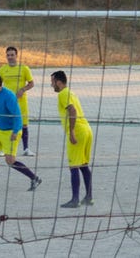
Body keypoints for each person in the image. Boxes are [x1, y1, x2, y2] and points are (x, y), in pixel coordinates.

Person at [50, 70, 94, 208]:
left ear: (58, 82)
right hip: (87, 129)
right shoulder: (71, 93)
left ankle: (75, 200)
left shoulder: (63, 94)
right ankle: (89, 197)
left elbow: (72, 110)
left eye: (52, 82)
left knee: (74, 166)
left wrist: (72, 131)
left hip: (78, 131)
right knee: (83, 165)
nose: (51, 85)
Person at [0, 46, 36, 155]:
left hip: (21, 102)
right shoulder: (2, 70)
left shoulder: (24, 68)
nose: (10, 57)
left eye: (12, 55)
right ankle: (3, 149)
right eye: (8, 55)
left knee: (24, 125)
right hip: (7, 103)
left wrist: (23, 89)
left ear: (16, 56)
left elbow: (31, 83)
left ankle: (26, 149)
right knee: (5, 125)